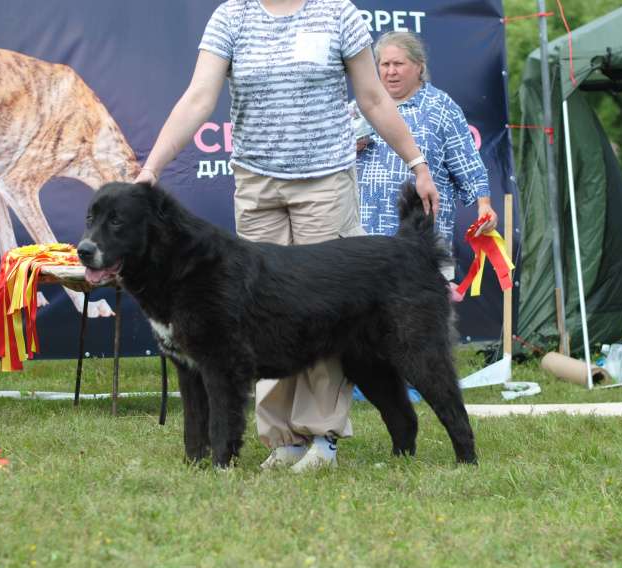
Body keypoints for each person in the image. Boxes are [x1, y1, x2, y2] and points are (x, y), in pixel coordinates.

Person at [135, 0, 439, 471]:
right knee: (259, 319)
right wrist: (151, 169)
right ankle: (283, 438)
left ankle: (322, 439)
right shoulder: (232, 16)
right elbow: (198, 97)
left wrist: (417, 163)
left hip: (326, 182)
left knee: (325, 314)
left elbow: (373, 98)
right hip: (257, 186)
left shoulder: (338, 13)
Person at [353, 31, 497, 299]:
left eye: (399, 64)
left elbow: (469, 165)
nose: (391, 72)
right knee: (365, 320)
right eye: (385, 65)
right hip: (366, 236)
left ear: (419, 66)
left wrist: (484, 206)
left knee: (421, 321)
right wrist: (348, 147)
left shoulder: (442, 108)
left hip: (422, 236)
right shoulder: (361, 107)